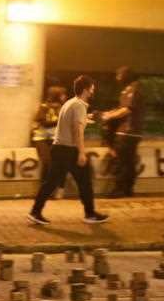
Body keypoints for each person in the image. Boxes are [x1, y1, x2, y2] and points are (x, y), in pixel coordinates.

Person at [28, 75, 109, 226]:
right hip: (68, 150)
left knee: (57, 182)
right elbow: (77, 130)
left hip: (61, 148)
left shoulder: (70, 103)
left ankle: (36, 211)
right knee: (79, 182)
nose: (93, 91)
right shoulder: (79, 106)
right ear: (85, 90)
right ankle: (89, 214)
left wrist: (88, 117)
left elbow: (71, 122)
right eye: (92, 88)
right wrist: (81, 152)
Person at [100, 67, 144, 198]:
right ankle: (128, 189)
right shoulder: (132, 88)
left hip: (126, 131)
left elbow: (127, 109)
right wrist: (110, 112)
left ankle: (119, 189)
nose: (117, 78)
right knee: (129, 162)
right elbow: (122, 108)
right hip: (132, 132)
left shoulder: (133, 89)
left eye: (119, 75)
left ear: (126, 75)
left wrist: (109, 116)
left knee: (121, 161)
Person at [31, 84, 67, 195]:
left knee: (61, 162)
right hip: (41, 138)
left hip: (55, 138)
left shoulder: (63, 108)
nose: (65, 96)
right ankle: (44, 189)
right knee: (47, 162)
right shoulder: (44, 107)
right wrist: (59, 121)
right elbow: (44, 123)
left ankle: (59, 188)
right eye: (62, 94)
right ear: (56, 95)